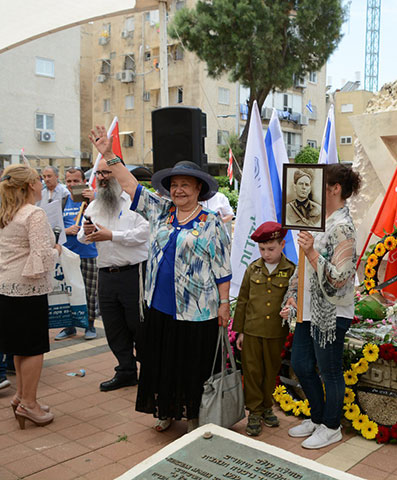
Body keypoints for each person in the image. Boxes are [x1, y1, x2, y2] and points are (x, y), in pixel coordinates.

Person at [89, 125, 231, 433]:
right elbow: (128, 185)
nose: (179, 190)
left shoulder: (211, 224)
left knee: (191, 365)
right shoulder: (160, 211)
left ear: (198, 190)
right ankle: (165, 410)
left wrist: (224, 304)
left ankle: (194, 413)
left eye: (186, 185)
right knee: (161, 362)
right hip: (159, 304)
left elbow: (222, 268)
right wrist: (109, 155)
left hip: (197, 310)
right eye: (175, 185)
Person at [280, 163, 360, 449]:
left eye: (320, 186)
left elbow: (340, 278)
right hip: (307, 308)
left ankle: (331, 425)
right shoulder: (318, 222)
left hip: (331, 312)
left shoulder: (343, 227)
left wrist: (312, 251)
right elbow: (302, 268)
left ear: (335, 189)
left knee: (330, 371)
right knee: (301, 365)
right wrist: (292, 295)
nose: (312, 191)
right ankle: (317, 417)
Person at [78, 158, 149, 391]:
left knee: (139, 325)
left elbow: (144, 234)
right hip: (105, 273)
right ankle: (126, 370)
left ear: (119, 173)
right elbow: (81, 234)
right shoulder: (96, 205)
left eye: (107, 173)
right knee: (113, 326)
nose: (102, 178)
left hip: (133, 272)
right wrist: (88, 232)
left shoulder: (136, 202)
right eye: (99, 174)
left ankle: (149, 370)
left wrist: (111, 235)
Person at [0, 164, 61, 429]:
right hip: (28, 288)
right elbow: (41, 257)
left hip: (6, 286)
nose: (41, 183)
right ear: (28, 186)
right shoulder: (33, 213)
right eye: (38, 179)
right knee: (34, 348)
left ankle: (21, 396)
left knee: (19, 346)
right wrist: (57, 250)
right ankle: (29, 404)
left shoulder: (5, 212)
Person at [233, 221, 295, 436]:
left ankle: (267, 406)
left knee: (270, 371)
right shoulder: (253, 269)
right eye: (262, 249)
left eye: (271, 249)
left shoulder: (291, 271)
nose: (266, 254)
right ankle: (254, 412)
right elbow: (242, 301)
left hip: (275, 332)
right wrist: (239, 331)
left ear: (282, 244)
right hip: (251, 331)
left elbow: (294, 299)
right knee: (252, 372)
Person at [54, 167, 99, 340]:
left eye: (76, 181)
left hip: (88, 252)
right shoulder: (63, 202)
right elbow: (55, 228)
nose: (72, 185)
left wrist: (94, 200)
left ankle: (90, 325)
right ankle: (69, 326)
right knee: (67, 291)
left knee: (89, 291)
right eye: (69, 181)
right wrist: (67, 230)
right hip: (67, 255)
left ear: (83, 182)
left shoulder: (92, 202)